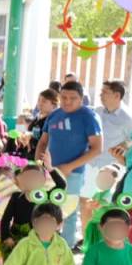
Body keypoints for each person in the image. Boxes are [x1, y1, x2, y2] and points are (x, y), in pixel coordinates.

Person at [35, 81, 102, 246]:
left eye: (73, 98)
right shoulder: (54, 115)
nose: (67, 101)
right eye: (64, 97)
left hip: (73, 174)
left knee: (68, 212)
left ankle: (66, 250)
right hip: (48, 171)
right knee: (43, 208)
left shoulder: (89, 117)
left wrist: (69, 167)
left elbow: (97, 149)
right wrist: (38, 164)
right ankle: (41, 246)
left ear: (81, 99)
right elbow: (43, 142)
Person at [82, 81, 132, 232]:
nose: (100, 95)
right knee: (86, 203)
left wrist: (122, 147)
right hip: (91, 165)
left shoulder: (129, 119)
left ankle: (104, 241)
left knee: (106, 209)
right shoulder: (97, 112)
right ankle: (87, 240)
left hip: (111, 171)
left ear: (117, 95)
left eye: (105, 92)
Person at [0, 163, 66, 254]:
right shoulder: (16, 197)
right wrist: (6, 236)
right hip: (19, 239)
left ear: (43, 180)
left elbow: (61, 185)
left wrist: (49, 168)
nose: (31, 180)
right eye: (28, 177)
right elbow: (6, 219)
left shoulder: (46, 196)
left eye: (35, 177)